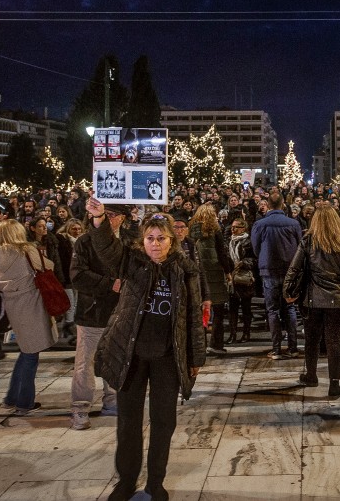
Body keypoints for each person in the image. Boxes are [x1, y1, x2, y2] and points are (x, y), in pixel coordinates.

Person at [86, 199, 204, 501]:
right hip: (132, 355)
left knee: (164, 421)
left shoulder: (185, 270)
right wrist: (99, 219)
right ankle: (126, 480)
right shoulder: (133, 262)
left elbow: (192, 316)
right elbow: (107, 250)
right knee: (128, 421)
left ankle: (155, 482)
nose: (155, 244)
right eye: (150, 238)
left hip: (167, 357)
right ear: (143, 240)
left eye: (161, 238)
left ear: (172, 240)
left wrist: (195, 358)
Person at [0, 220, 57, 416]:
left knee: (26, 351)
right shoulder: (26, 251)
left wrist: (8, 285)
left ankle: (12, 397)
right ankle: (24, 402)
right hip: (32, 304)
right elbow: (49, 266)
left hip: (13, 306)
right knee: (31, 355)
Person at [285, 204, 340, 398]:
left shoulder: (308, 241)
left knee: (312, 340)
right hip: (338, 299)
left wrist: (287, 290)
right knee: (335, 342)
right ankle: (334, 384)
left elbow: (294, 268)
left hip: (313, 299)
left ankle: (311, 375)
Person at [67, 205, 125, 430]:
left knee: (115, 358)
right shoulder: (85, 242)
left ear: (121, 219)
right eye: (104, 214)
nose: (108, 219)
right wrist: (110, 284)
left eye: (112, 215)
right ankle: (80, 407)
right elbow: (78, 276)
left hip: (119, 312)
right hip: (93, 311)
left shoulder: (126, 242)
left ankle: (112, 399)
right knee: (85, 362)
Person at [251, 189, 303, 360]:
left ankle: (276, 349)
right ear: (283, 204)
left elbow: (256, 248)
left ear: (268, 205)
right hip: (289, 270)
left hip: (269, 270)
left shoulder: (260, 224)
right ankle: (293, 347)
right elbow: (299, 247)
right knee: (289, 308)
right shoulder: (293, 223)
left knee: (272, 310)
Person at [190, 204, 234, 355]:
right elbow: (222, 252)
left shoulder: (191, 231)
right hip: (215, 273)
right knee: (218, 311)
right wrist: (228, 271)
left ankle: (199, 345)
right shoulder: (216, 231)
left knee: (200, 310)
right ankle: (216, 344)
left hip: (199, 274)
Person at [226, 218, 256, 344]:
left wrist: (243, 263)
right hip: (232, 277)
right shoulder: (229, 241)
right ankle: (232, 334)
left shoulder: (249, 241)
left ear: (243, 228)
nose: (233, 229)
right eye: (232, 227)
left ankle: (246, 333)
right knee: (232, 308)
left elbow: (255, 259)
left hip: (244, 278)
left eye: (236, 227)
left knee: (246, 308)